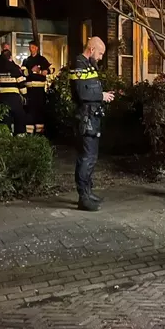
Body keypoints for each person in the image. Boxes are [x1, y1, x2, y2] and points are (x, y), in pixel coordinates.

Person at [70, 36, 114, 211]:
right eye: (101, 53)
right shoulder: (79, 64)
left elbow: (91, 89)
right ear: (92, 49)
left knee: (92, 158)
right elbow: (82, 93)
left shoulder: (88, 64)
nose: (101, 57)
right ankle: (83, 197)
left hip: (93, 118)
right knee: (86, 158)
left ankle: (88, 192)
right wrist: (101, 96)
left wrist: (103, 94)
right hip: (86, 118)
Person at [0, 42, 29, 135]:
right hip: (14, 96)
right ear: (10, 58)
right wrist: (25, 95)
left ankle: (6, 135)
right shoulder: (14, 68)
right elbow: (21, 83)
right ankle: (20, 134)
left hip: (3, 97)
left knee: (5, 116)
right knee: (19, 115)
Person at [21, 40, 53, 134]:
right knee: (29, 110)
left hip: (39, 90)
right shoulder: (26, 61)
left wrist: (47, 71)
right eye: (30, 47)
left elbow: (51, 69)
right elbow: (22, 72)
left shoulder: (42, 60)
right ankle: (29, 132)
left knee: (39, 109)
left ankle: (40, 133)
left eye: (33, 47)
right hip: (29, 90)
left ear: (37, 48)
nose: (31, 49)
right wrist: (31, 70)